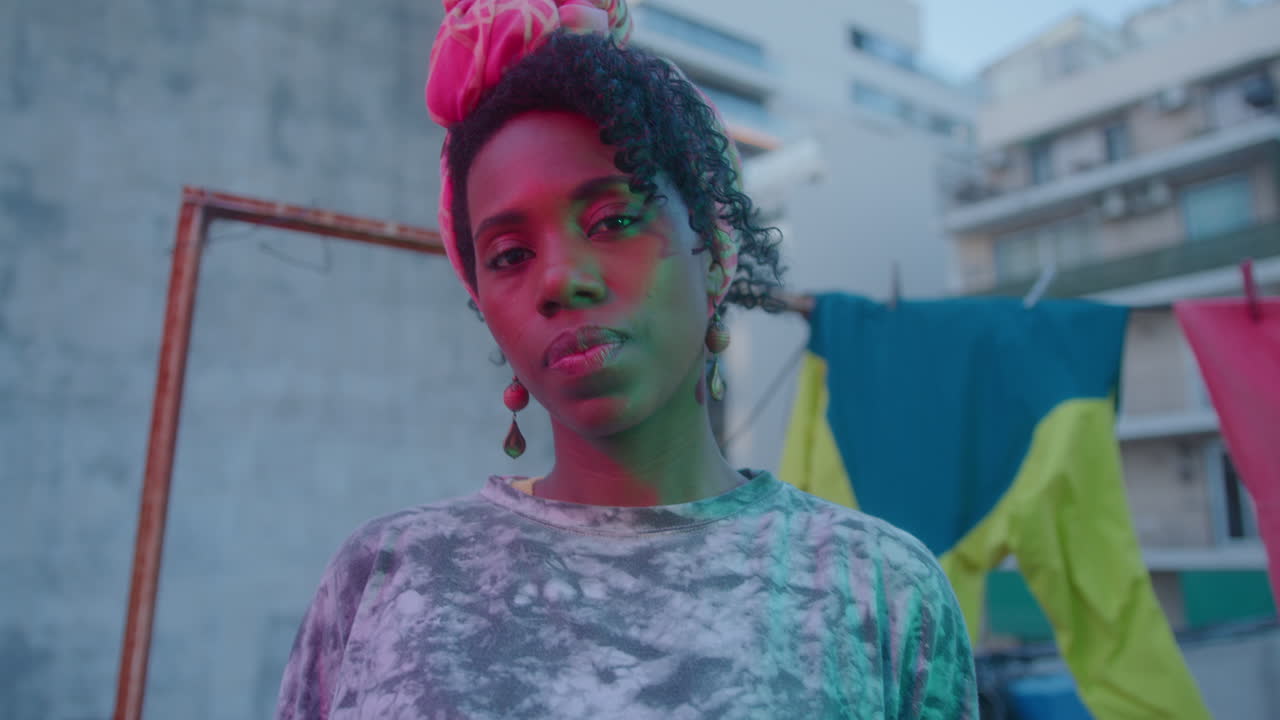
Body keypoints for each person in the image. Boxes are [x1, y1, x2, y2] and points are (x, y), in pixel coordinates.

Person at [274, 1, 978, 717]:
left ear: (714, 253)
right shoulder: (383, 579)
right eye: (510, 255)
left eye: (613, 220)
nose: (560, 279)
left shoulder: (882, 593)